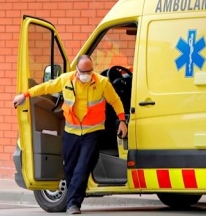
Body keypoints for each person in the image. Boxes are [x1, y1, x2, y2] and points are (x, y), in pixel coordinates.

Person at [13, 55, 127, 215]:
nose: (86, 74)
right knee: (70, 168)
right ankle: (71, 200)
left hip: (92, 133)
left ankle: (73, 204)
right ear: (77, 70)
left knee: (82, 168)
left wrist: (122, 121)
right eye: (83, 71)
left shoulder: (102, 83)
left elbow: (115, 100)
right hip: (71, 132)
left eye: (89, 71)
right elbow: (46, 87)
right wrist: (24, 95)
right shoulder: (66, 80)